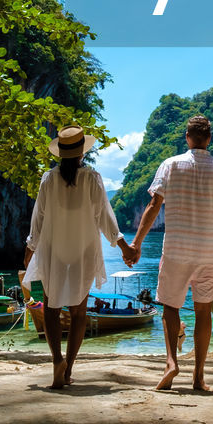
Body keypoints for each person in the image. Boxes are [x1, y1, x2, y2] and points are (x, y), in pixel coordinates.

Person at [129, 114, 213, 392]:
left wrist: (137, 244)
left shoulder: (170, 165)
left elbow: (154, 204)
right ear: (209, 139)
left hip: (177, 249)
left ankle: (171, 362)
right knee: (204, 312)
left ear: (187, 137)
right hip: (208, 251)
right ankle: (199, 376)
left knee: (170, 306)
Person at [23, 125, 135, 388]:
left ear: (61, 153)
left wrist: (30, 249)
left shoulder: (49, 179)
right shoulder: (92, 178)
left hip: (54, 249)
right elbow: (105, 216)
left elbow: (38, 218)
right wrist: (123, 247)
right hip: (84, 249)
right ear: (82, 153)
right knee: (79, 312)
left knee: (51, 309)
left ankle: (56, 361)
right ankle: (69, 368)